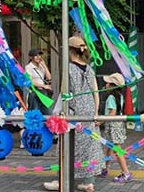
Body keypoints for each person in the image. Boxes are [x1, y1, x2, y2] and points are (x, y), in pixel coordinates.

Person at [44, 36, 105, 192]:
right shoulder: (90, 69)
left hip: (73, 110)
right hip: (89, 110)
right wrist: (96, 112)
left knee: (66, 145)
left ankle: (62, 179)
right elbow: (95, 92)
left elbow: (65, 93)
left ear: (70, 50)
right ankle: (88, 182)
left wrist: (61, 111)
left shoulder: (69, 69)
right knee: (90, 146)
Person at [101, 72, 132, 183]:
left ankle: (126, 173)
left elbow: (112, 112)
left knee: (117, 150)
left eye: (107, 83)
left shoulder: (110, 97)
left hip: (112, 125)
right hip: (118, 124)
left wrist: (101, 121)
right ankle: (105, 168)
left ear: (112, 85)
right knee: (110, 146)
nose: (105, 85)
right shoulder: (120, 96)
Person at [25, 48, 52, 115]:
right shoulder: (28, 67)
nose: (38, 57)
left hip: (43, 92)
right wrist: (44, 86)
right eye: (36, 56)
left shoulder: (41, 66)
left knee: (48, 113)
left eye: (39, 55)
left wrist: (44, 65)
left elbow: (49, 78)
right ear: (31, 57)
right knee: (35, 113)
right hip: (35, 92)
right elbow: (31, 82)